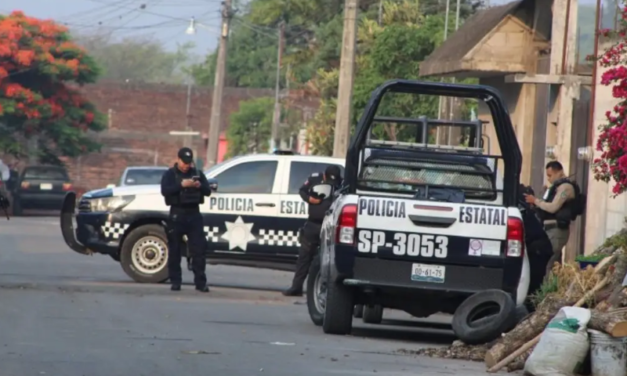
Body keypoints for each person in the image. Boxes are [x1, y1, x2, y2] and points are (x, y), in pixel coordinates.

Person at [283, 165, 343, 297]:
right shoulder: (314, 179)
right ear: (324, 176)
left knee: (327, 259)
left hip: (329, 225)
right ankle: (296, 287)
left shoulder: (341, 183)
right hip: (313, 224)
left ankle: (326, 291)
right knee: (304, 257)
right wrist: (309, 199)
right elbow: (302, 191)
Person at [160, 147, 212, 292]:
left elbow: (208, 191)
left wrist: (199, 185)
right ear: (178, 159)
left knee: (198, 250)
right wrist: (181, 185)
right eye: (184, 162)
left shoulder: (196, 173)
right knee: (175, 250)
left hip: (194, 214)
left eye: (189, 162)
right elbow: (165, 191)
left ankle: (200, 282)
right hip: (177, 214)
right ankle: (176, 281)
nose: (186, 165)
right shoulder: (170, 174)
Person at [523, 161, 579, 275]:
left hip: (557, 231)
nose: (549, 179)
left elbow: (553, 207)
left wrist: (535, 201)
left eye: (550, 175)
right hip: (550, 230)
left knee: (548, 263)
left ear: (559, 172)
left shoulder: (565, 188)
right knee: (554, 266)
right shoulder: (556, 187)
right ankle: (553, 289)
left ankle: (547, 290)